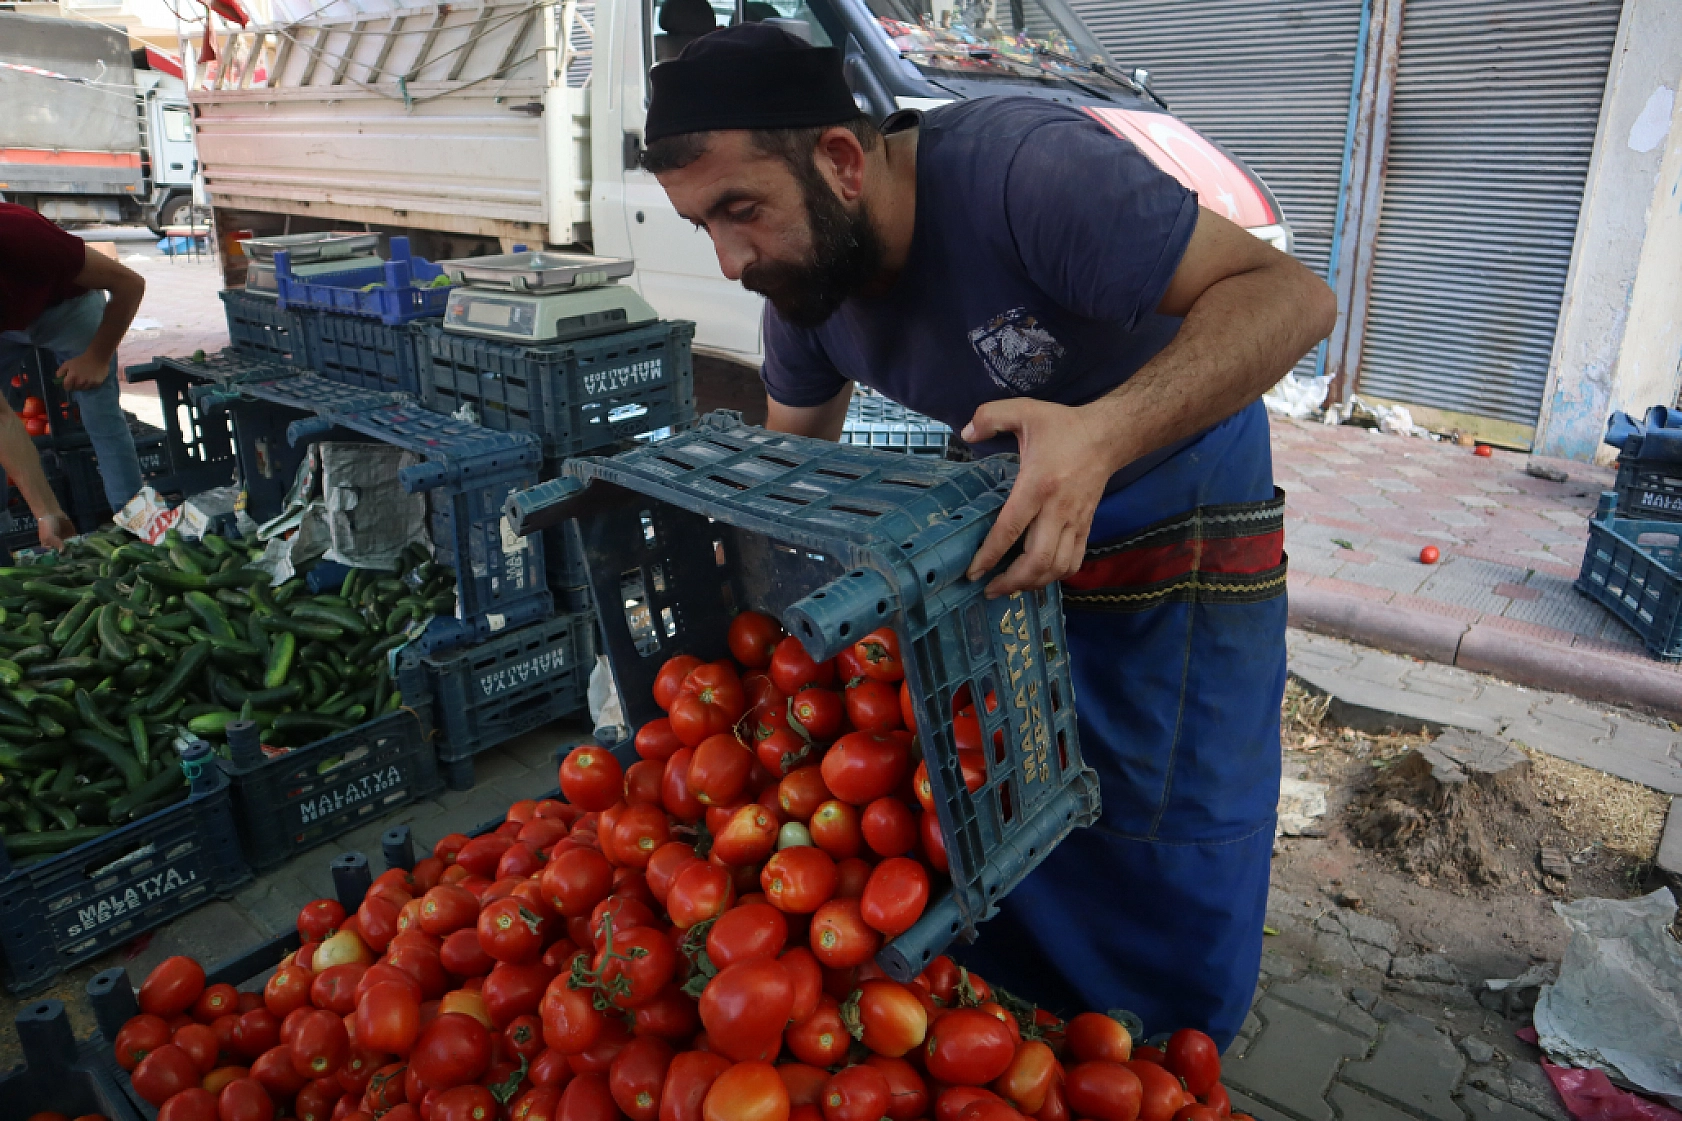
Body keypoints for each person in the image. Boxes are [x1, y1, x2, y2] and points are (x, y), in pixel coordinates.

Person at [641, 25, 1337, 1047]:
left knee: (1161, 820)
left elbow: (1292, 298)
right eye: (703, 224)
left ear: (839, 159)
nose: (730, 258)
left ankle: (1172, 1067)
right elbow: (793, 472)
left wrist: (1098, 436)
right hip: (1015, 545)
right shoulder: (808, 286)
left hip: (1173, 537)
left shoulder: (1029, 174)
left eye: (740, 210)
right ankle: (1035, 1036)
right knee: (1014, 804)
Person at [0, 201, 147, 547]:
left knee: (101, 411)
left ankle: (136, 526)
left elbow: (129, 284)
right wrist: (46, 513)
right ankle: (6, 530)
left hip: (66, 309)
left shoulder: (22, 236)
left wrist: (96, 357)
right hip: (4, 328)